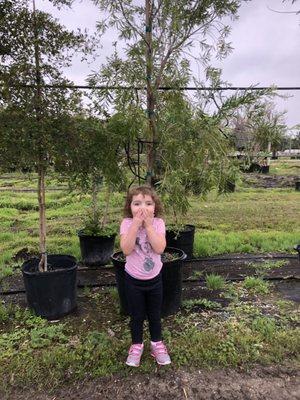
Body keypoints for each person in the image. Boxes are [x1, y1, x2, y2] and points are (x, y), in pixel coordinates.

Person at [120, 185, 171, 367]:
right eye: (137, 203)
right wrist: (135, 224)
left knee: (155, 314)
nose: (143, 208)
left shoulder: (158, 224)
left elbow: (159, 248)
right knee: (137, 315)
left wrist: (148, 226)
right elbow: (126, 249)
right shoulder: (126, 223)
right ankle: (136, 345)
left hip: (155, 281)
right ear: (130, 207)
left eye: (148, 203)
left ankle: (157, 344)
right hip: (133, 281)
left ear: (155, 207)